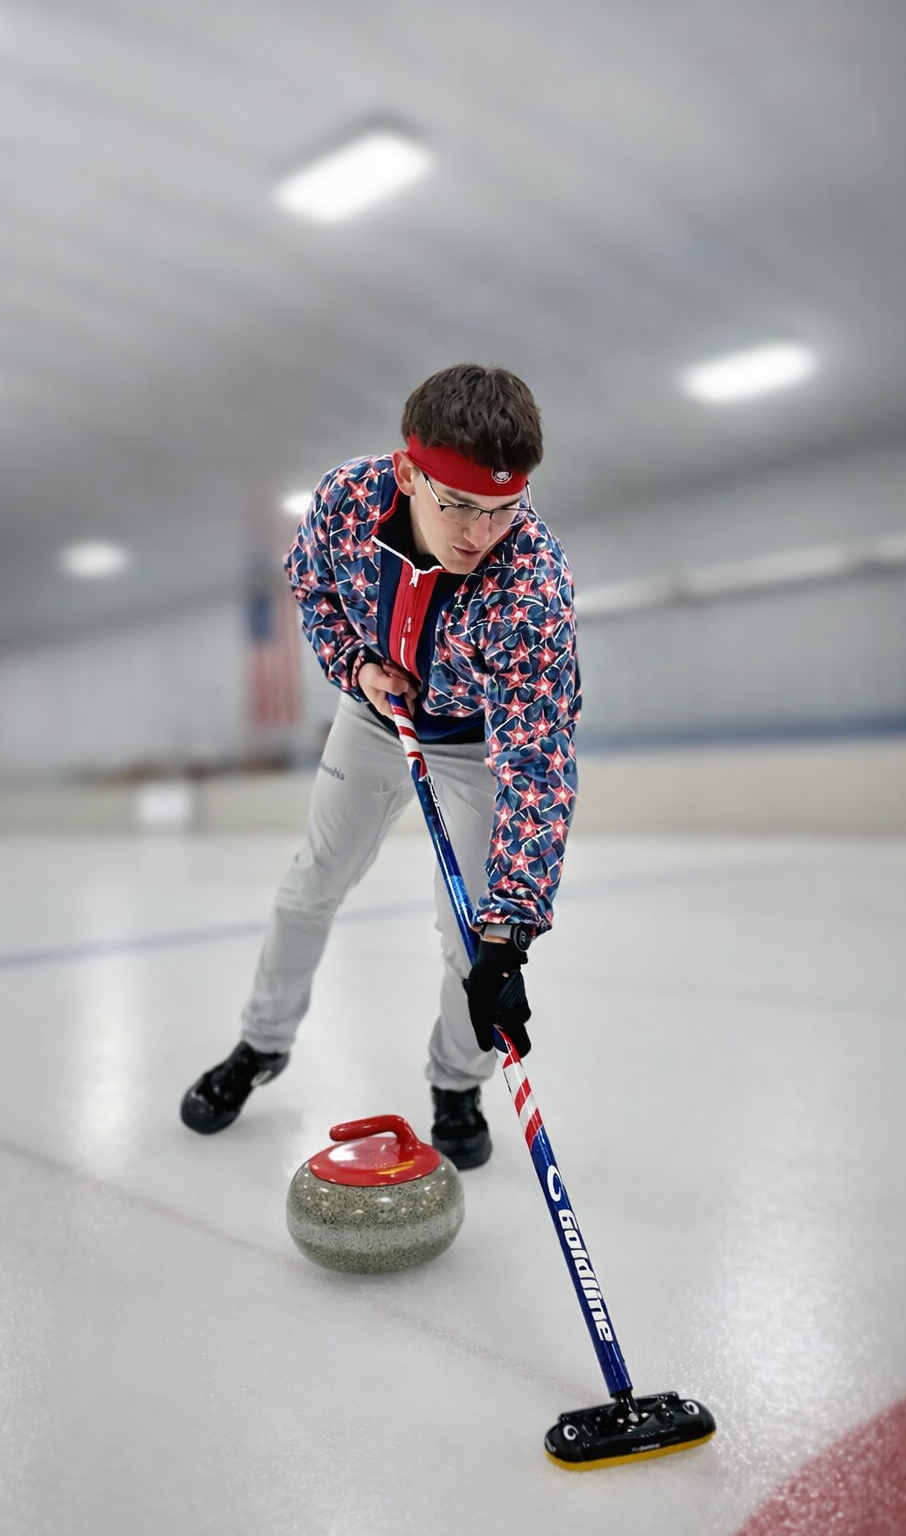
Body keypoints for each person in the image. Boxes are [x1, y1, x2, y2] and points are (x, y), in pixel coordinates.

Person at [181, 363, 580, 1168]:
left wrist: (511, 927)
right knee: (312, 884)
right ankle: (262, 1043)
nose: (480, 533)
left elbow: (537, 763)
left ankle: (457, 1083)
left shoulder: (531, 584)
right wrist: (356, 667)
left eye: (503, 509)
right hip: (373, 716)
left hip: (473, 744)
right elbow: (311, 586)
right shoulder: (347, 500)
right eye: (458, 503)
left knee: (474, 939)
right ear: (407, 473)